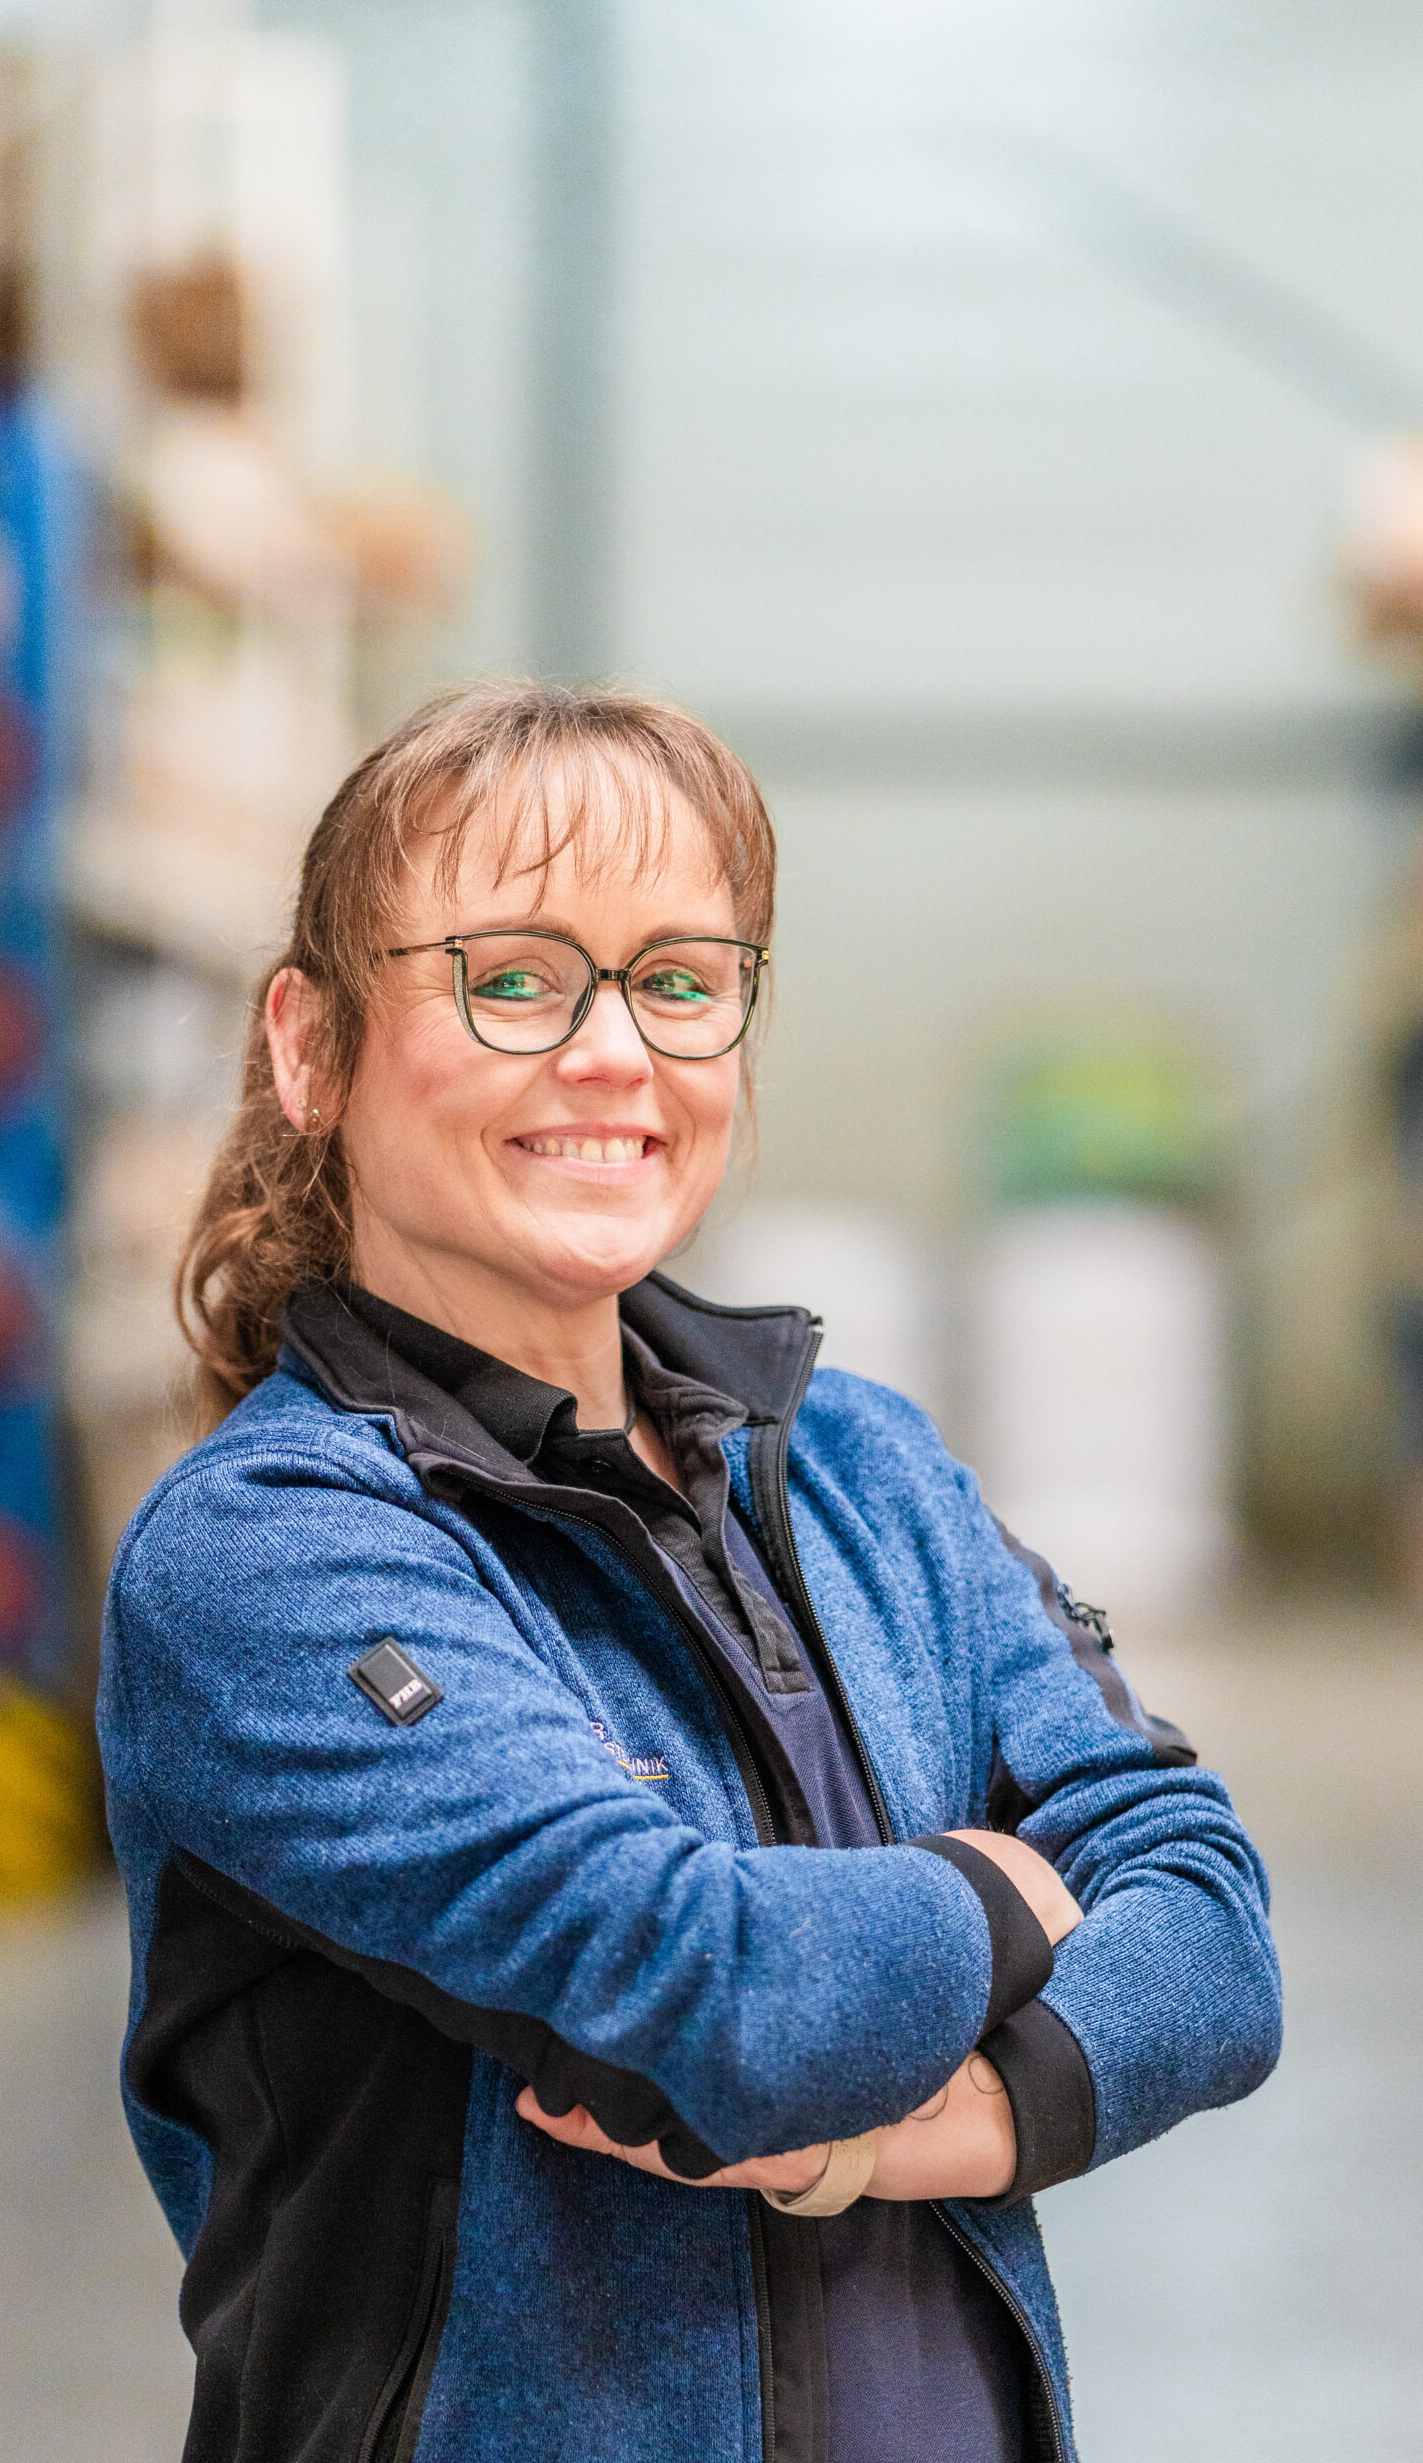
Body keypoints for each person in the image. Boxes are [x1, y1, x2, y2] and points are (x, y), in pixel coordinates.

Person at [98, 681, 1281, 2463]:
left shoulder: (861, 1466)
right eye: (513, 977)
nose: (610, 1054)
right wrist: (1008, 1891)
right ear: (311, 1046)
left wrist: (903, 2135)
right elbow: (717, 1992)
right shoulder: (270, 1555)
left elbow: (1210, 1917)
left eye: (678, 978)